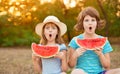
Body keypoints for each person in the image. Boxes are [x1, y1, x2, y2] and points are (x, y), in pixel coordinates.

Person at [68, 6, 120, 74]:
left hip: (100, 72)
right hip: (82, 72)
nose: (90, 23)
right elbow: (71, 65)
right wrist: (75, 54)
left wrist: (100, 54)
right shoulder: (75, 41)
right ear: (82, 23)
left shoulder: (104, 41)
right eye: (86, 20)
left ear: (97, 23)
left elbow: (107, 66)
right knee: (76, 72)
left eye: (93, 20)